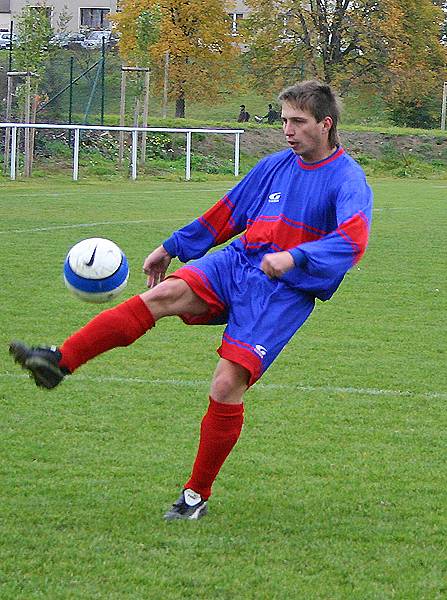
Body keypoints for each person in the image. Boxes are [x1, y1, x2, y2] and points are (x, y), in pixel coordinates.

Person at [10, 80, 373, 521]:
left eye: (298, 122)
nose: (288, 130)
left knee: (225, 385)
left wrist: (295, 258)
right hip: (238, 263)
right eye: (284, 121)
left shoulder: (348, 178)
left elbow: (353, 241)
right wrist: (172, 246)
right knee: (162, 294)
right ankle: (58, 361)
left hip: (283, 292)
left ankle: (195, 495)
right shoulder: (274, 166)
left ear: (325, 124)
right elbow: (227, 213)